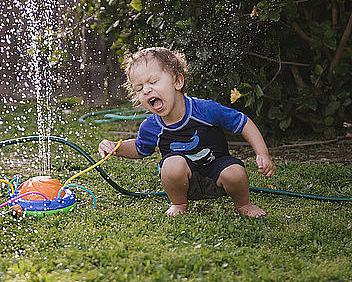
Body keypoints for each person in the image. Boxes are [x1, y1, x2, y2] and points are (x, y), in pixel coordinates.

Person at [98, 47, 275, 218]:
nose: (146, 90)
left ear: (177, 82)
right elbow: (139, 148)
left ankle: (243, 204)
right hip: (182, 182)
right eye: (139, 89)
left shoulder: (205, 110)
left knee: (235, 172)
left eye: (153, 82)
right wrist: (116, 147)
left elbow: (243, 123)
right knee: (172, 164)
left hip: (217, 173)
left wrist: (263, 154)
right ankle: (179, 203)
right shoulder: (151, 126)